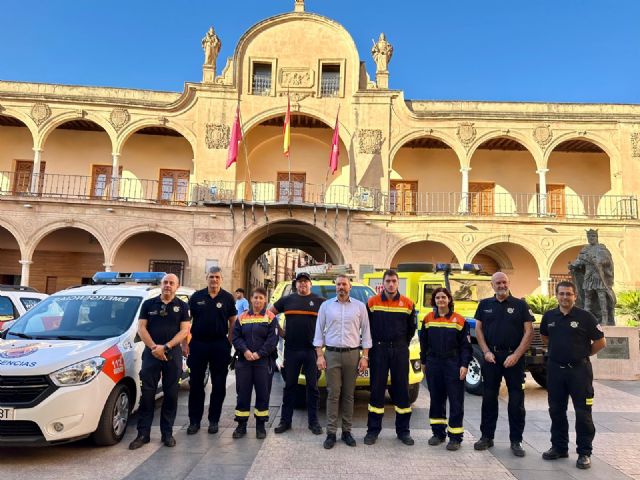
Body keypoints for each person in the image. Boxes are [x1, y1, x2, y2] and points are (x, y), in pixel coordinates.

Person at [540, 280, 606, 470]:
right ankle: (559, 447)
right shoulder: (549, 316)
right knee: (556, 410)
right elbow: (546, 338)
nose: (565, 297)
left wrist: (582, 355)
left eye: (568, 294)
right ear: (556, 295)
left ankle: (584, 452)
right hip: (555, 371)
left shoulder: (586, 317)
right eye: (561, 294)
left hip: (579, 372)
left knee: (583, 413)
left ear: (575, 296)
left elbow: (601, 342)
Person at [473, 272, 534, 456]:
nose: (501, 285)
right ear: (492, 285)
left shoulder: (520, 305)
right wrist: (486, 352)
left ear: (508, 283)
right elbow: (478, 329)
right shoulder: (484, 305)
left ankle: (516, 441)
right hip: (492, 358)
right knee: (489, 399)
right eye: (498, 283)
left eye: (504, 282)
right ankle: (486, 437)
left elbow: (529, 332)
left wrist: (516, 355)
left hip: (514, 358)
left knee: (516, 401)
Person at [129, 274, 190, 450]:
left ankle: (167, 434)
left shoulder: (182, 306)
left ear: (177, 286)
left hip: (172, 355)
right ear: (161, 285)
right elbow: (141, 328)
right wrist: (155, 348)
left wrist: (166, 347)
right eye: (165, 282)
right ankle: (143, 434)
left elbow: (184, 331)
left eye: (171, 283)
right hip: (151, 355)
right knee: (147, 395)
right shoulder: (148, 304)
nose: (168, 285)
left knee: (171, 395)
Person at [314, 275, 372, 449]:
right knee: (333, 394)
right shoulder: (326, 306)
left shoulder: (360, 307)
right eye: (338, 284)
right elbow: (318, 332)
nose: (341, 287)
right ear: (335, 287)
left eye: (344, 284)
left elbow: (367, 333)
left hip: (352, 355)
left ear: (350, 286)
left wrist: (365, 356)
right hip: (331, 353)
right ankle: (331, 433)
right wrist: (319, 355)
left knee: (348, 395)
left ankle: (347, 431)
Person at [364, 269, 417, 446]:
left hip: (400, 350)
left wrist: (401, 344)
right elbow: (366, 328)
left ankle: (403, 432)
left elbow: (411, 329)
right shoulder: (372, 302)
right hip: (379, 350)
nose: (391, 284)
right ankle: (372, 431)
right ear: (383, 282)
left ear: (398, 282)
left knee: (401, 390)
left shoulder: (408, 304)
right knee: (376, 390)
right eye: (388, 281)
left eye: (394, 281)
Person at [270, 272, 326, 435]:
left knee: (313, 388)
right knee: (290, 387)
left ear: (311, 284)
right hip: (292, 350)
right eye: (300, 282)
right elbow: (270, 314)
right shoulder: (287, 300)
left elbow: (331, 319)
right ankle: (285, 421)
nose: (302, 284)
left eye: (305, 282)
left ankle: (313, 422)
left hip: (311, 351)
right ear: (296, 285)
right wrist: (279, 331)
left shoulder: (320, 302)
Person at [186, 267, 237, 435]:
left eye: (217, 277)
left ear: (221, 279)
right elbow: (187, 322)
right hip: (198, 344)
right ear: (206, 278)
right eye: (211, 277)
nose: (214, 280)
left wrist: (228, 342)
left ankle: (214, 420)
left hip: (219, 345)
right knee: (196, 384)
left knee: (219, 385)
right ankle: (194, 421)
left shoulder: (228, 298)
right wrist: (185, 344)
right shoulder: (196, 297)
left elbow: (233, 322)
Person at [420, 287, 472, 451]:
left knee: (456, 401)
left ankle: (455, 437)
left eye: (443, 297)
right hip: (434, 363)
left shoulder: (459, 320)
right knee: (436, 399)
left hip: (453, 363)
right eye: (437, 298)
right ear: (434, 301)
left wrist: (464, 364)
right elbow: (423, 343)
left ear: (449, 299)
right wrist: (423, 362)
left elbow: (466, 346)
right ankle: (438, 434)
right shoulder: (428, 319)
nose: (440, 300)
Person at [231, 287, 279, 439]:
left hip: (263, 362)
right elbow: (235, 337)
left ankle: (260, 426)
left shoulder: (271, 317)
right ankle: (241, 425)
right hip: (244, 361)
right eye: (255, 297)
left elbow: (273, 340)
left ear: (265, 300)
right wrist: (245, 351)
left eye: (260, 298)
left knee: (263, 394)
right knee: (242, 393)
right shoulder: (242, 317)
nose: (257, 300)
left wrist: (259, 353)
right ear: (250, 299)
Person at [570, 229, 616, 325]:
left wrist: (599, 262)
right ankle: (585, 319)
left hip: (599, 277)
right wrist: (574, 265)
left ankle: (605, 320)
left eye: (593, 236)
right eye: (589, 237)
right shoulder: (585, 249)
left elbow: (608, 261)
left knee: (602, 298)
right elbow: (580, 261)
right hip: (588, 277)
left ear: (596, 237)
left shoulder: (602, 249)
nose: (591, 238)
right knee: (587, 299)